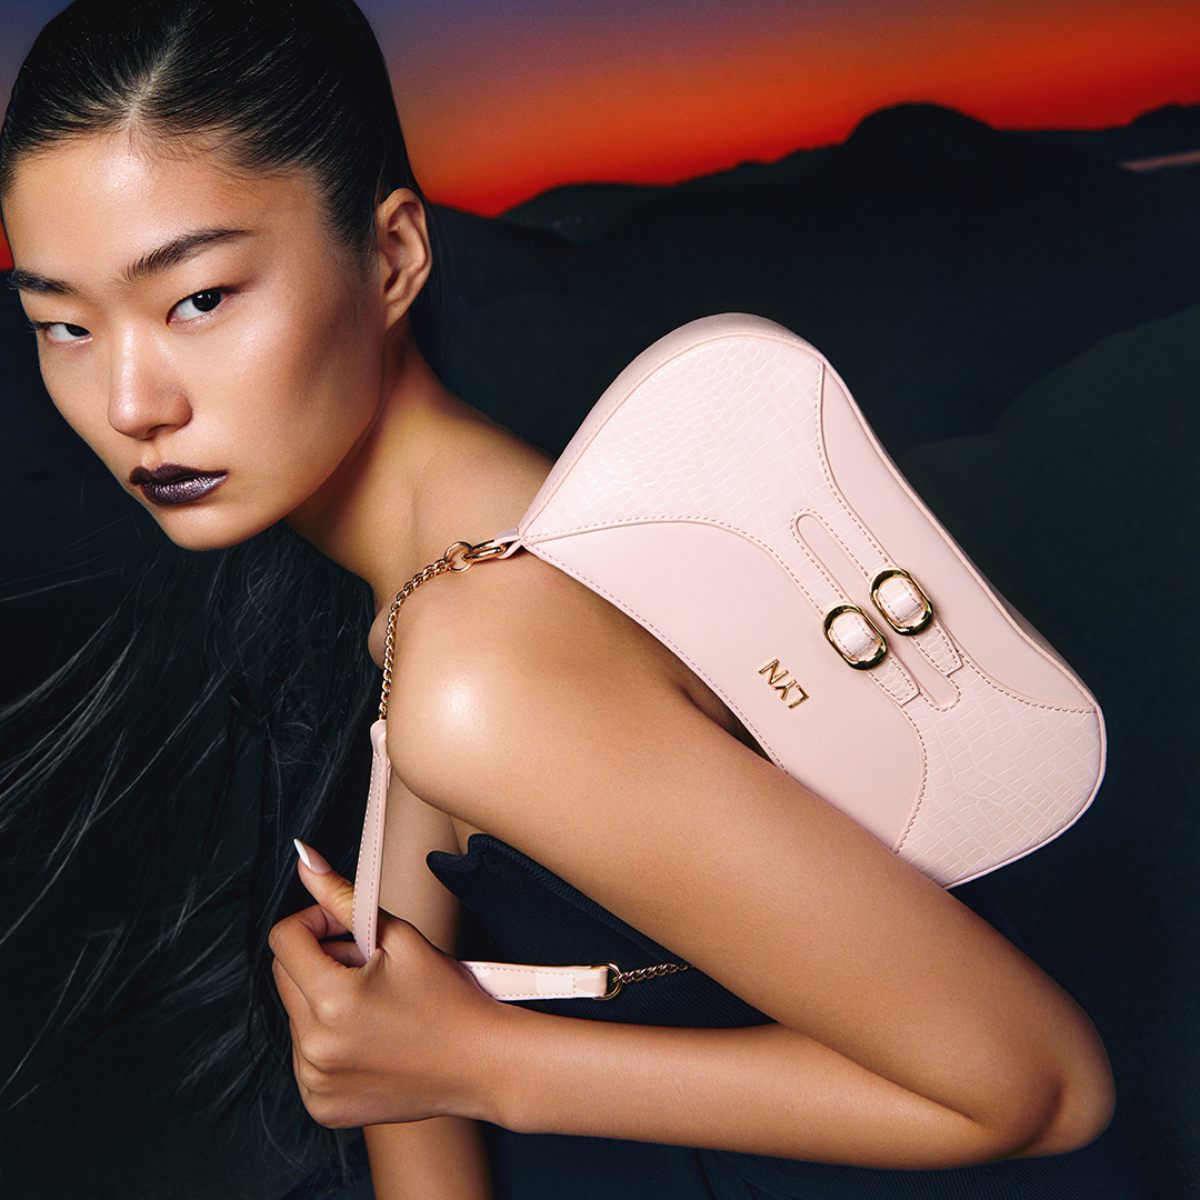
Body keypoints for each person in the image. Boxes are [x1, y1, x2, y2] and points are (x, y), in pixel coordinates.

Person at [0, 1, 1146, 1197]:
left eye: (198, 300)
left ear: (391, 257)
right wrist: (413, 1062)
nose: (131, 404)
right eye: (63, 325)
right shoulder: (447, 585)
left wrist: (485, 1064)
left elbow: (1041, 1085)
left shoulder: (489, 661)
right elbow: (411, 1113)